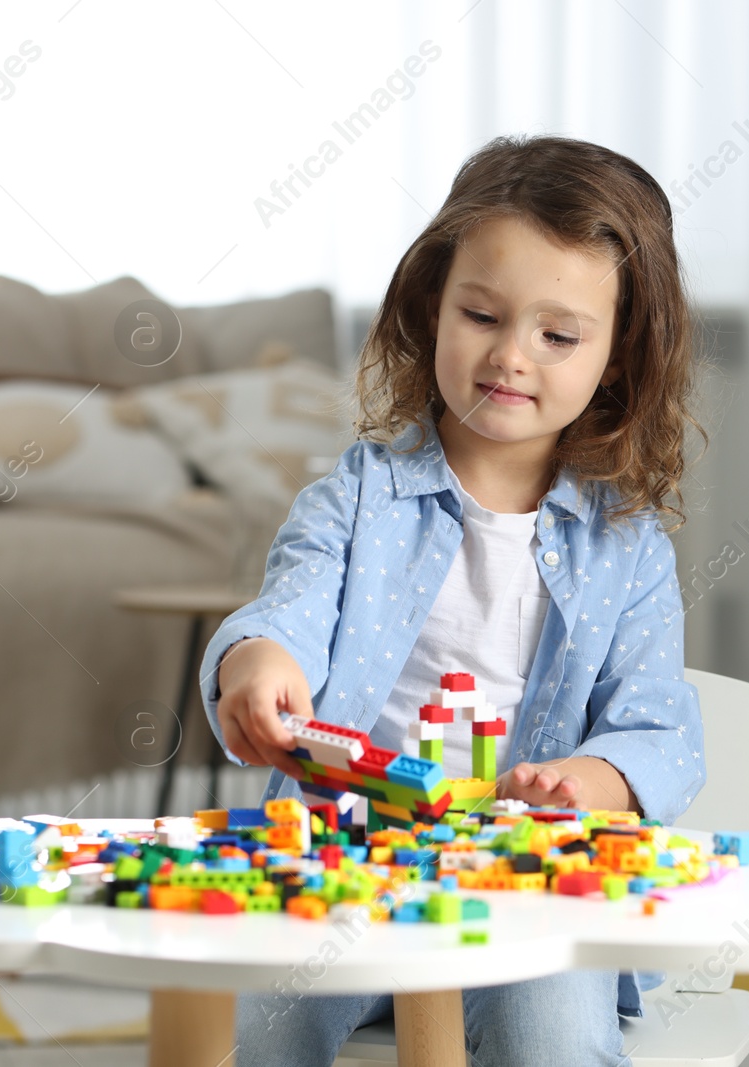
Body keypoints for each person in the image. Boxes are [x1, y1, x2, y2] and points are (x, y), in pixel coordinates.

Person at [199, 133, 707, 1067]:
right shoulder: (357, 495)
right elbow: (290, 608)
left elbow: (659, 726)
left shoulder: (627, 548)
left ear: (618, 355)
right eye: (482, 314)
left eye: (557, 336)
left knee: (555, 1037)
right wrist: (259, 664)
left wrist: (586, 783)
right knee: (261, 1029)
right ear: (433, 305)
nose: (511, 356)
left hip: (528, 880)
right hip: (342, 859)